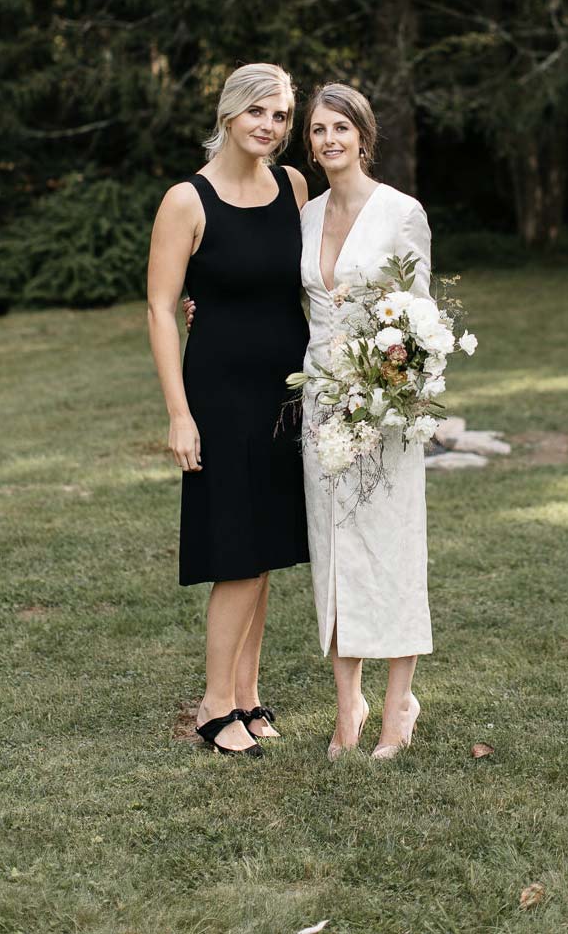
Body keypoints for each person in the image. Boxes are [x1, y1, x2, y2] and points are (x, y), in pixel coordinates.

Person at [144, 62, 310, 757]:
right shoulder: (187, 199)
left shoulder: (295, 186)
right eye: (258, 113)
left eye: (281, 115)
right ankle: (214, 704)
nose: (269, 126)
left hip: (287, 390)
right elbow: (159, 305)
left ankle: (247, 693)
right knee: (236, 551)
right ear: (230, 114)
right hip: (220, 392)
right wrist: (180, 415)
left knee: (265, 549)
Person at [297, 83, 432, 759]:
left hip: (384, 405)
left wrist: (391, 394)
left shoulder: (401, 212)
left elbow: (423, 320)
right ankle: (346, 705)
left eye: (339, 127)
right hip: (320, 401)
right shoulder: (306, 213)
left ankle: (396, 708)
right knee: (335, 549)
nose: (328, 140)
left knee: (391, 547)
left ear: (363, 134)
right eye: (317, 129)